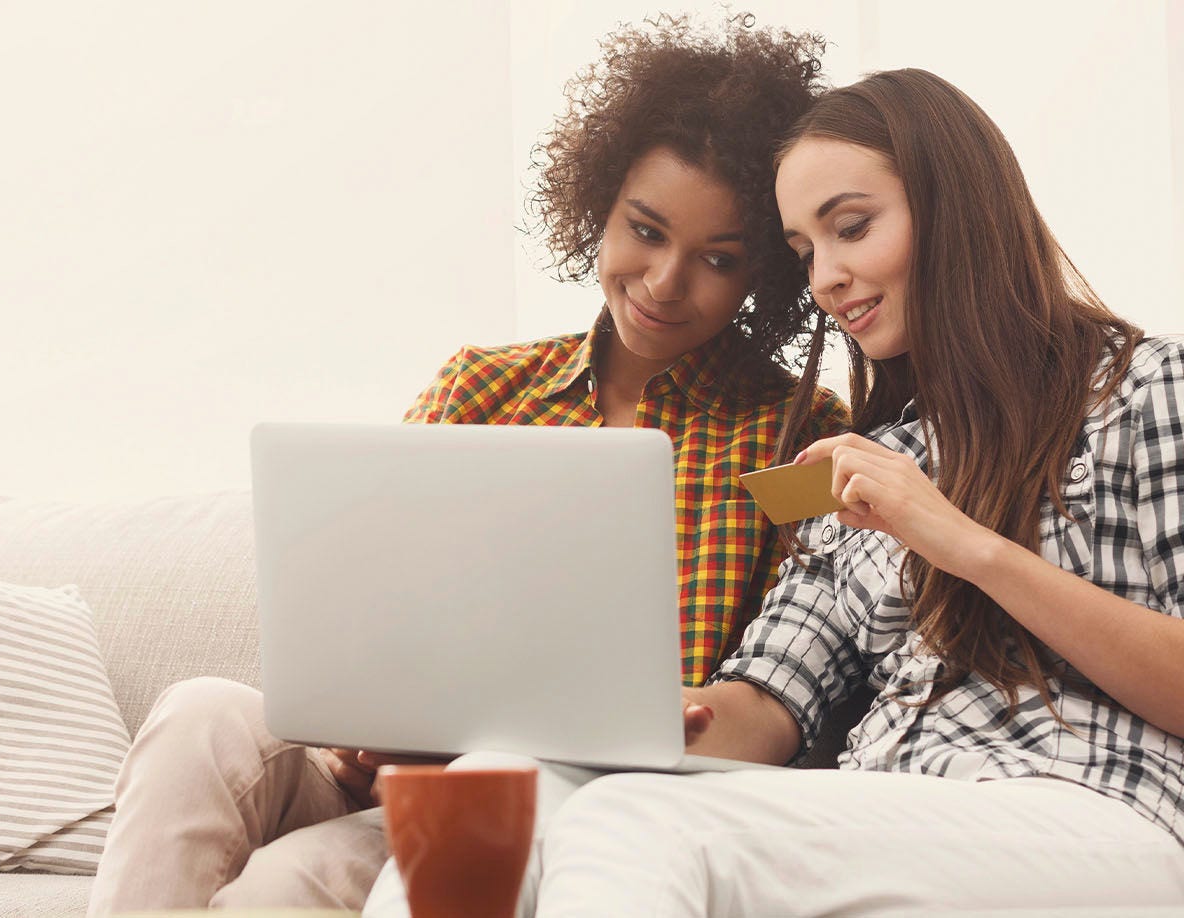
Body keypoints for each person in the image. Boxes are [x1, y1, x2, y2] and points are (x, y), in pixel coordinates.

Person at [86, 13, 848, 914]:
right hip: (382, 766)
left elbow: (790, 681)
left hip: (571, 799)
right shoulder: (484, 385)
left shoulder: (799, 429)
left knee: (288, 883)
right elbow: (360, 607)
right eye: (644, 231)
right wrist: (359, 729)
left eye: (717, 260)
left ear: (766, 275)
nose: (665, 281)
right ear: (598, 204)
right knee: (199, 713)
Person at [490, 67, 1184, 916]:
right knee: (503, 797)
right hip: (889, 809)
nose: (825, 276)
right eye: (804, 253)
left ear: (957, 204)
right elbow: (767, 702)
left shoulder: (1152, 388)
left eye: (851, 228)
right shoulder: (861, 462)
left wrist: (960, 540)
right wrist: (613, 719)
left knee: (635, 823)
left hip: (1095, 808)